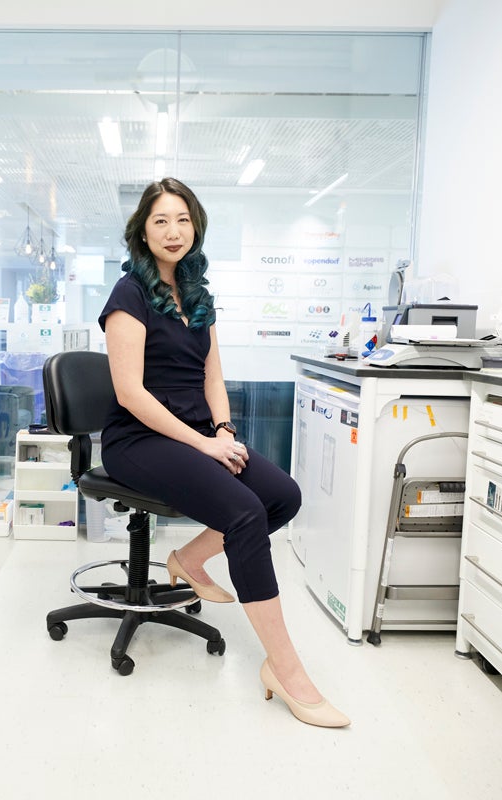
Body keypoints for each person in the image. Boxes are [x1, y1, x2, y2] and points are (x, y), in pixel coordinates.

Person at [98, 177, 350, 729]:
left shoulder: (198, 295)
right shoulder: (129, 295)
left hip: (197, 432)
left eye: (183, 219)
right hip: (138, 438)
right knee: (244, 513)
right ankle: (286, 671)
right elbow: (130, 393)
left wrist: (225, 431)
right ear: (143, 229)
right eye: (161, 220)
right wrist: (204, 445)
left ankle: (188, 561)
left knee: (281, 495)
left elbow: (212, 375)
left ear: (197, 226)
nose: (173, 231)